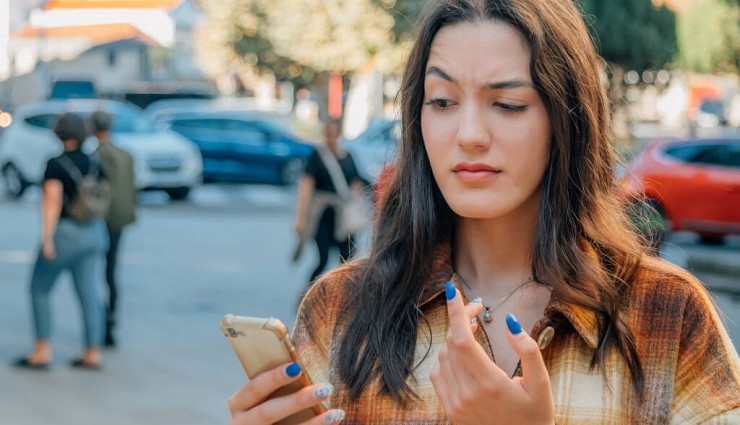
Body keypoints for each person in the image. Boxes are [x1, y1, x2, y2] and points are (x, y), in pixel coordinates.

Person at [229, 0, 740, 423]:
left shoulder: (667, 317)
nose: (468, 135)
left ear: (568, 121)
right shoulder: (340, 309)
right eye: (443, 101)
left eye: (508, 104)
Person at [14, 112, 108, 370]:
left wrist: (47, 239)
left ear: (59, 134)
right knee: (89, 293)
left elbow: (52, 202)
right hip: (94, 232)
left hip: (66, 233)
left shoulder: (56, 164)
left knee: (39, 288)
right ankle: (93, 352)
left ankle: (42, 350)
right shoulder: (95, 162)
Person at [293, 118, 364, 285]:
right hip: (323, 215)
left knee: (347, 262)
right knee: (322, 260)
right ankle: (308, 297)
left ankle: (342, 300)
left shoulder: (348, 157)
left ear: (339, 134)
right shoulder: (317, 157)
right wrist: (301, 218)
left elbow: (355, 183)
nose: (330, 138)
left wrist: (358, 207)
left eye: (334, 134)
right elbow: (306, 187)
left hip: (343, 217)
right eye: (328, 134)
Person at [91, 110, 137, 348]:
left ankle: (103, 324)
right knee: (111, 271)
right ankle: (111, 320)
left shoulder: (97, 156)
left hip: (102, 220)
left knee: (97, 273)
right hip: (121, 219)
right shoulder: (126, 154)